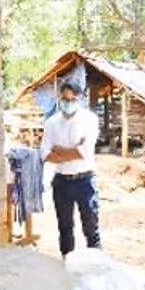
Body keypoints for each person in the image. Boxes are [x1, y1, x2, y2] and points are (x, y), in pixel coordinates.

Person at [40, 81, 101, 257]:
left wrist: (58, 150)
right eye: (64, 98)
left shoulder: (89, 119)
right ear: (59, 97)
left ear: (80, 98)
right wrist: (74, 150)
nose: (68, 102)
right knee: (65, 228)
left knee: (91, 227)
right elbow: (44, 153)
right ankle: (66, 263)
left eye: (72, 99)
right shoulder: (51, 123)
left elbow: (85, 151)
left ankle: (95, 267)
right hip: (61, 182)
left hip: (85, 181)